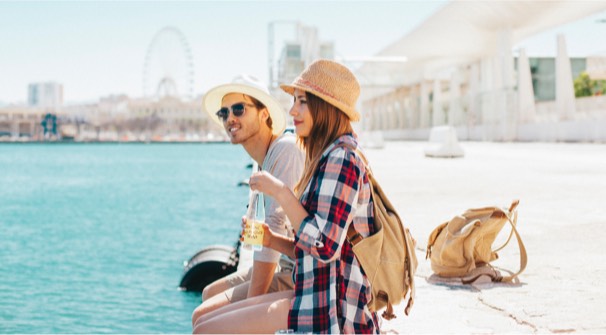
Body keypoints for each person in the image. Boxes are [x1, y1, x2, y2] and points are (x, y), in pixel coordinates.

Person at [193, 59, 380, 334]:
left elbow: (325, 248)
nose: (292, 110)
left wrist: (279, 191)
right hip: (312, 289)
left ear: (325, 107)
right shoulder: (327, 157)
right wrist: (269, 238)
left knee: (204, 328)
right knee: (205, 322)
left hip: (332, 309)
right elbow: (312, 247)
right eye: (224, 113)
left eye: (302, 102)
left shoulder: (342, 159)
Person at [191, 75, 304, 326]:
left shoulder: (285, 150)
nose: (230, 118)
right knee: (208, 294)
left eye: (239, 109)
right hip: (287, 265)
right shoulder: (261, 159)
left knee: (201, 318)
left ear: (264, 114)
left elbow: (274, 227)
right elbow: (266, 231)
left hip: (299, 272)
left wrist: (250, 309)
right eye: (224, 112)